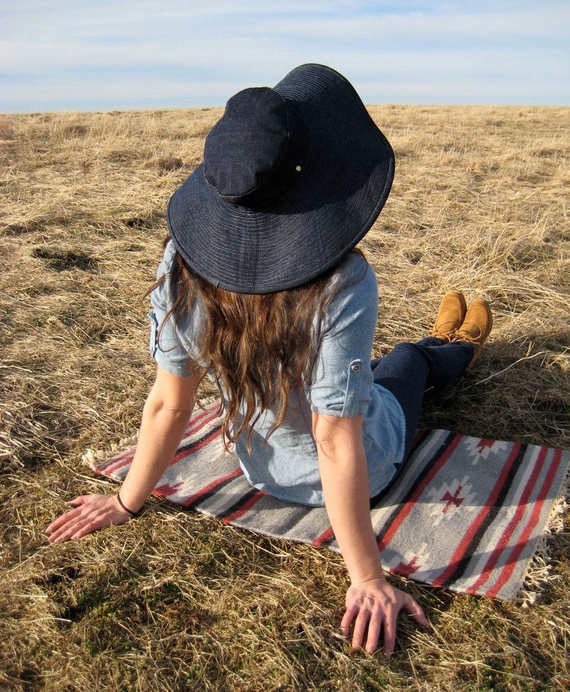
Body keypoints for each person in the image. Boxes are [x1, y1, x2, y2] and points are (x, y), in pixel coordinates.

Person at [45, 64, 492, 656]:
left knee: (369, 373)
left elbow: (167, 404)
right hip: (370, 460)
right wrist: (366, 577)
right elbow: (336, 438)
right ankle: (454, 347)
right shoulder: (345, 280)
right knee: (405, 365)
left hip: (263, 470)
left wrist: (127, 501)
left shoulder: (180, 267)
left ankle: (442, 342)